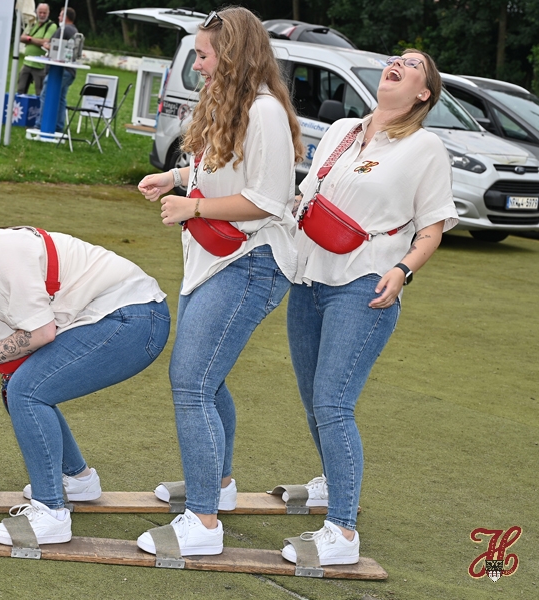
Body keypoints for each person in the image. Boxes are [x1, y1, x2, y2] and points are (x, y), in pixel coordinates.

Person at [0, 187, 170, 546]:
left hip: (133, 317)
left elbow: (40, 333)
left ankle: (50, 514)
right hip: (119, 316)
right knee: (21, 385)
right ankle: (77, 479)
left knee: (26, 391)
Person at [278, 49, 456, 567]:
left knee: (333, 404)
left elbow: (432, 228)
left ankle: (343, 531)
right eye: (396, 58)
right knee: (314, 402)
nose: (398, 63)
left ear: (423, 93)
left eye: (414, 64)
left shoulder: (426, 147)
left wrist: (403, 271)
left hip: (366, 284)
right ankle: (333, 484)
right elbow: (307, 198)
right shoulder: (342, 131)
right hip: (308, 279)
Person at [135, 7, 302, 556]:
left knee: (192, 383)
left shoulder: (264, 111)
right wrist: (175, 177)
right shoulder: (234, 104)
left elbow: (267, 200)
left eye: (204, 56)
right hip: (220, 261)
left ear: (232, 55)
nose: (198, 66)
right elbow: (221, 169)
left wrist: (193, 206)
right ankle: (218, 485)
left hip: (250, 262)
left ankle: (204, 522)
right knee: (208, 378)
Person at [39, 7, 77, 132]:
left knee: (46, 94)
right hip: (70, 71)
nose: (58, 18)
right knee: (61, 99)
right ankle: (59, 126)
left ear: (65, 17)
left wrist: (46, 45)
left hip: (60, 71)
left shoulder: (63, 29)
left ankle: (40, 123)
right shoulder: (74, 30)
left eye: (60, 15)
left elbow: (52, 45)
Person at [16, 3, 57, 97]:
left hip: (40, 65)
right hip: (27, 62)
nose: (42, 15)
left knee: (40, 93)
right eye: (40, 12)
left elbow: (45, 42)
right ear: (36, 12)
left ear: (48, 13)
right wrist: (37, 40)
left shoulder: (51, 26)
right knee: (20, 90)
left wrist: (29, 38)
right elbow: (21, 38)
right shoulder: (32, 23)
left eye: (44, 13)